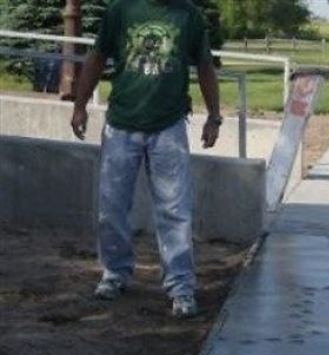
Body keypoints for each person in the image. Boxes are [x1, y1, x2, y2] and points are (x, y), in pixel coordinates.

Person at [71, 0, 222, 319]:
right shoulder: (121, 10)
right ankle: (115, 273)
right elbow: (97, 57)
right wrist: (80, 105)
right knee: (111, 207)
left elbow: (206, 66)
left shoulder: (189, 15)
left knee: (175, 210)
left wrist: (214, 116)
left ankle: (181, 287)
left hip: (168, 126)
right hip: (121, 124)